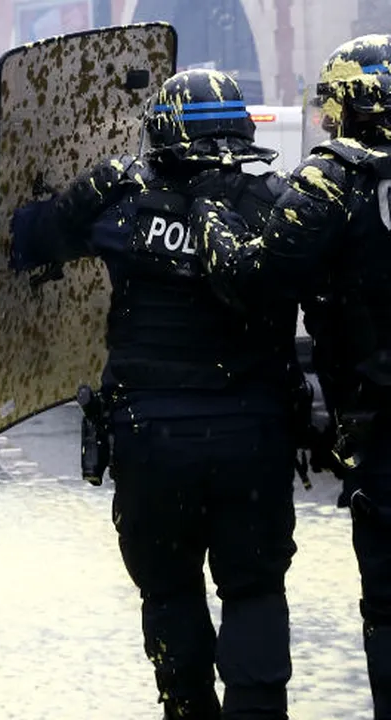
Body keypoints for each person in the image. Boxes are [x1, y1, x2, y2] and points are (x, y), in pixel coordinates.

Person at [11, 69, 298, 719]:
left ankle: (187, 706)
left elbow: (29, 239)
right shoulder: (282, 204)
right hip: (254, 434)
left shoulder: (123, 209)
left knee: (169, 591)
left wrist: (83, 192)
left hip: (153, 439)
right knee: (254, 590)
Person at [189, 36, 391, 718]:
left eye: (332, 108)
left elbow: (254, 277)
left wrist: (213, 219)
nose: (328, 122)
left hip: (384, 426)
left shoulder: (335, 179)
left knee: (390, 606)